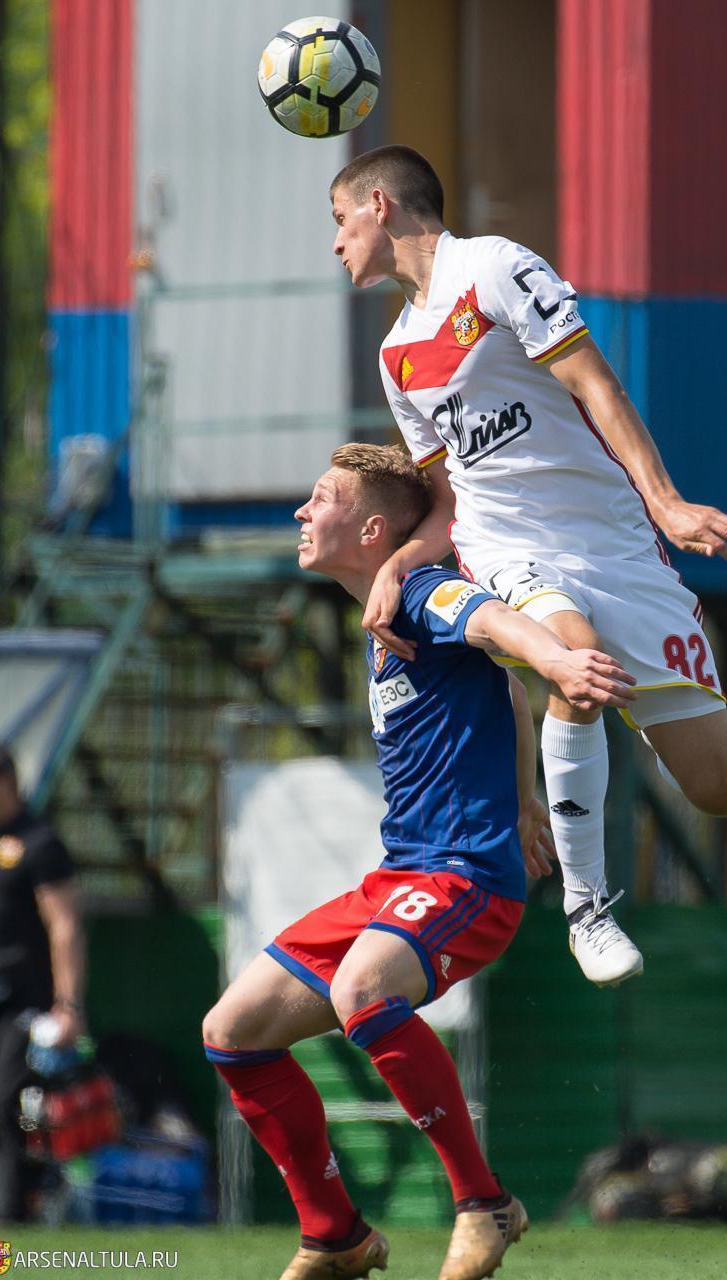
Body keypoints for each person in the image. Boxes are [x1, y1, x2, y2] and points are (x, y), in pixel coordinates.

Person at [328, 145, 727, 988]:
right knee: (573, 654)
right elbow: (447, 500)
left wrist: (666, 504)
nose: (336, 242)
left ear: (379, 205)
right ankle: (586, 907)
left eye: (339, 220)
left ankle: (603, 721)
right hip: (509, 547)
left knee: (720, 792)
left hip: (613, 544)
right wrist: (399, 565)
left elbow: (597, 385)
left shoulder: (493, 268)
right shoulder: (395, 355)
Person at [202, 443, 635, 1280]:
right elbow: (500, 689)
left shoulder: (419, 591)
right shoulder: (383, 617)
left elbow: (491, 624)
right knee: (233, 1032)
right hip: (399, 877)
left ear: (371, 530)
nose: (300, 511)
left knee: (362, 991)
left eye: (319, 497)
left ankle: (483, 1203)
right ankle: (334, 1236)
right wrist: (523, 797)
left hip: (463, 878)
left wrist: (553, 659)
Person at [0, 742, 85, 1221]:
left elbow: (65, 925)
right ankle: (38, 1177)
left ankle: (18, 1213)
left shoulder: (40, 842)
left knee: (5, 1098)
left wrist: (69, 1004)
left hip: (23, 1001)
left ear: (6, 783)